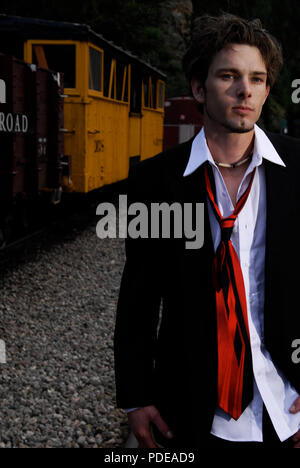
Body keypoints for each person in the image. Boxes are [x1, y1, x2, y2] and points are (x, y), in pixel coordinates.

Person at [114, 13, 300, 448]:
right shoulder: (156, 181)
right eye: (229, 76)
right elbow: (139, 298)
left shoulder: (297, 169)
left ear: (267, 89)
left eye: (257, 78)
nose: (244, 90)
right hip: (193, 410)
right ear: (199, 88)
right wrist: (135, 397)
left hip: (284, 402)